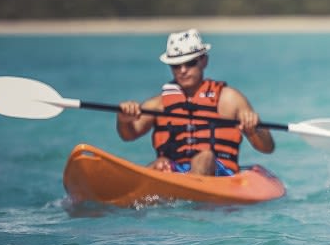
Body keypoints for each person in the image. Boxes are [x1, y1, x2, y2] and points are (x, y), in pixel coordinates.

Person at [116, 29, 274, 175]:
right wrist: (123, 120)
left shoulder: (230, 99)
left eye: (190, 63)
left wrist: (255, 129)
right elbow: (128, 135)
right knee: (160, 163)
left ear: (204, 61)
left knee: (204, 156)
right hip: (175, 170)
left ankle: (190, 195)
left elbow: (267, 147)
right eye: (176, 65)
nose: (183, 70)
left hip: (219, 171)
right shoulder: (158, 104)